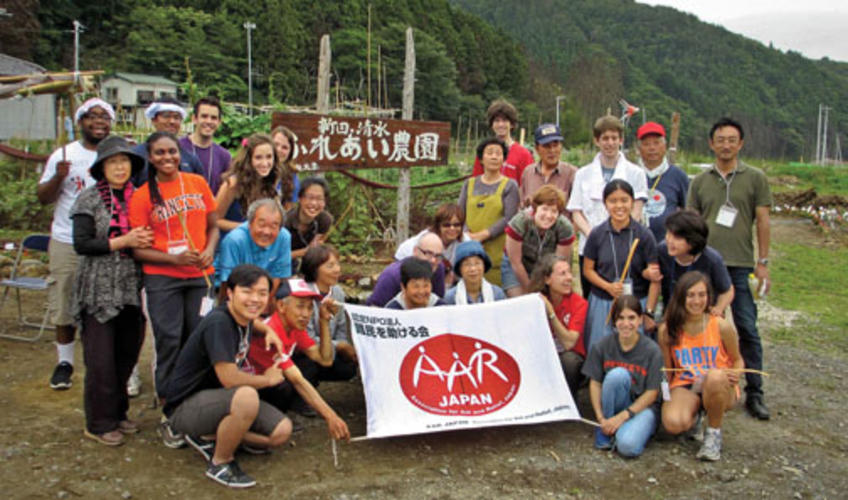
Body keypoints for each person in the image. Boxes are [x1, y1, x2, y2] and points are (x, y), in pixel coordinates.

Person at [161, 266, 308, 489]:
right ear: (229, 293)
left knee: (281, 432)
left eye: (261, 293)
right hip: (185, 406)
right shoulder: (219, 323)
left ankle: (208, 436)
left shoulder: (245, 317)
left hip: (218, 400)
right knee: (247, 396)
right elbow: (229, 378)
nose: (255, 299)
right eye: (247, 291)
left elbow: (253, 322)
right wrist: (267, 380)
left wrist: (268, 331)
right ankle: (220, 462)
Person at [128, 131, 219, 422]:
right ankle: (168, 401)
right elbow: (138, 251)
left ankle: (195, 397)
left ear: (180, 153)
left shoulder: (197, 183)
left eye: (172, 152)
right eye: (160, 153)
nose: (167, 158)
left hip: (198, 275)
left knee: (198, 336)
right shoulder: (142, 195)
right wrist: (173, 258)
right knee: (169, 338)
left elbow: (214, 226)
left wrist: (209, 249)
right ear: (150, 158)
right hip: (162, 277)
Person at [687, 117, 772, 421]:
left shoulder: (755, 178)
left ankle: (755, 391)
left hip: (739, 264)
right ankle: (697, 388)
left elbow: (762, 221)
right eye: (720, 139)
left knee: (747, 327)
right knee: (700, 326)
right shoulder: (699, 181)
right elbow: (691, 223)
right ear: (711, 143)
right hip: (704, 266)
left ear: (741, 143)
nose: (725, 144)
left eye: (731, 139)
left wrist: (763, 262)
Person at [70, 136, 152, 445]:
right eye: (113, 162)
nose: (120, 167)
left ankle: (118, 413)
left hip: (130, 288)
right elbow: (82, 243)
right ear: (101, 167)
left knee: (125, 355)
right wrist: (124, 241)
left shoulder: (139, 198)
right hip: (98, 289)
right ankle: (99, 422)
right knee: (101, 359)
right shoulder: (88, 199)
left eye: (125, 161)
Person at [37, 97, 114, 390]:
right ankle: (65, 362)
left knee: (103, 303)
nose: (99, 122)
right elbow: (43, 197)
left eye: (104, 117)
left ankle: (100, 361)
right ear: (80, 122)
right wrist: (58, 177)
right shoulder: (64, 155)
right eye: (92, 117)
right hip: (67, 239)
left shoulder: (115, 154)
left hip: (105, 241)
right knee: (65, 302)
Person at [245, 277, 352, 434]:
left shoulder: (295, 328)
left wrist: (323, 321)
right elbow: (298, 381)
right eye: (300, 307)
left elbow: (325, 359)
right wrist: (331, 416)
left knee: (306, 367)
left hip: (262, 382)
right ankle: (255, 426)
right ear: (281, 306)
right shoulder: (272, 330)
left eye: (310, 308)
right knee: (285, 384)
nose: (306, 314)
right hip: (247, 388)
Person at [659, 271, 743, 461]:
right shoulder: (668, 329)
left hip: (719, 384)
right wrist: (666, 397)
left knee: (714, 377)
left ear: (708, 297)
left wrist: (736, 373)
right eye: (690, 295)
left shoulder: (721, 326)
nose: (696, 301)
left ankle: (713, 434)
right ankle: (697, 415)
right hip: (687, 382)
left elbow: (738, 360)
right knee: (673, 423)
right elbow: (667, 369)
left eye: (701, 295)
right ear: (681, 297)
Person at [567, 115, 648, 299]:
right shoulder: (582, 173)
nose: (610, 143)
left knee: (625, 298)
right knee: (593, 296)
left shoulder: (636, 173)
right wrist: (595, 235)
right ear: (597, 141)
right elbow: (576, 212)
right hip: (591, 246)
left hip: (625, 245)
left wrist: (621, 232)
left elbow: (637, 209)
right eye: (605, 138)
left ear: (621, 140)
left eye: (614, 138)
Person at [582, 295, 663, 457]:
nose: (626, 324)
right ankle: (606, 429)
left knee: (627, 447)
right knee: (616, 376)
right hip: (615, 406)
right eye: (621, 318)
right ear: (614, 321)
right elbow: (595, 383)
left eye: (632, 318)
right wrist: (600, 418)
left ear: (640, 319)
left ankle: (621, 431)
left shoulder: (652, 351)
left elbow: (652, 393)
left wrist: (623, 417)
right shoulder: (602, 346)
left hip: (642, 408)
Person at [582, 180, 659, 351]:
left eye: (624, 200)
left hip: (636, 302)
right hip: (604, 302)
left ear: (632, 202)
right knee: (601, 352)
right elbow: (587, 270)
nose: (619, 206)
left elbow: (655, 278)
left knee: (634, 353)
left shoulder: (645, 235)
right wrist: (607, 286)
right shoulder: (597, 234)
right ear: (605, 204)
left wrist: (648, 312)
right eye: (613, 201)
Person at [458, 137, 520, 286]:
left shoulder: (510, 185)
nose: (494, 157)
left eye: (498, 153)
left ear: (503, 159)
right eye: (490, 153)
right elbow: (459, 213)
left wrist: (484, 234)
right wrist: (468, 235)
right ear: (481, 158)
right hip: (469, 245)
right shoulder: (469, 184)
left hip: (497, 249)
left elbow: (509, 218)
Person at [214, 198, 292, 308]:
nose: (266, 232)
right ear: (250, 223)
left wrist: (263, 304)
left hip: (264, 292)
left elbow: (278, 275)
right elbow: (226, 282)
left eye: (274, 226)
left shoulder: (284, 237)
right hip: (231, 292)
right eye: (261, 224)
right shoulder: (234, 240)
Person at [528, 254, 587, 395]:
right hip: (545, 353)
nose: (569, 278)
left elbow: (568, 343)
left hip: (570, 357)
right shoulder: (535, 301)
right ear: (547, 279)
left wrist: (551, 313)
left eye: (569, 273)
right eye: (562, 274)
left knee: (569, 361)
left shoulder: (579, 303)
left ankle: (570, 407)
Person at [301, 245, 358, 385]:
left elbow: (341, 330)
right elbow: (306, 338)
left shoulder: (337, 292)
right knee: (308, 364)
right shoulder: (302, 294)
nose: (337, 269)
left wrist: (340, 345)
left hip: (328, 350)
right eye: (330, 266)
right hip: (305, 351)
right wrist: (339, 346)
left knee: (348, 368)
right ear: (314, 269)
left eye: (337, 264)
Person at [657, 210, 733, 315]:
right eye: (668, 234)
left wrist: (718, 309)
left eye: (677, 238)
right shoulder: (662, 251)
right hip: (673, 313)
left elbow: (728, 291)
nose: (670, 241)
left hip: (702, 315)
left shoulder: (712, 259)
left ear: (693, 241)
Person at [503, 185, 575, 296]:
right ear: (535, 208)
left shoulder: (565, 227)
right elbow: (515, 263)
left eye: (554, 211)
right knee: (520, 299)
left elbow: (559, 264)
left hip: (548, 267)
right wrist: (531, 291)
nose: (548, 215)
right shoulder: (519, 223)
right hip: (519, 265)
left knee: (552, 297)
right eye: (544, 209)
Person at [131, 96, 204, 186]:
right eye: (166, 116)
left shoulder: (190, 159)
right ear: (154, 120)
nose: (172, 121)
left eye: (176, 117)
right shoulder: (135, 156)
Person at [215, 133, 280, 232]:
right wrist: (247, 228)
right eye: (258, 157)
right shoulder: (233, 184)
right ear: (248, 160)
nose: (265, 163)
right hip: (231, 241)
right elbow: (215, 220)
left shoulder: (271, 182)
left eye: (269, 157)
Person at [636, 122, 689, 244]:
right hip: (635, 245)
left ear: (664, 146)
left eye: (656, 143)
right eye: (646, 144)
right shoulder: (631, 174)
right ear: (639, 149)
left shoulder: (678, 176)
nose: (652, 148)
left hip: (668, 247)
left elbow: (687, 210)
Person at [394, 203, 468, 285]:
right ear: (438, 226)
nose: (452, 228)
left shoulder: (465, 241)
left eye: (456, 224)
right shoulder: (426, 239)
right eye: (446, 225)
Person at [367, 232, 447, 307]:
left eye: (438, 256)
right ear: (415, 251)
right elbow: (374, 308)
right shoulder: (391, 276)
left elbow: (438, 305)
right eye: (428, 253)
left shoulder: (438, 268)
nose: (433, 260)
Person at [470, 99, 534, 184]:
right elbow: (476, 182)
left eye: (504, 120)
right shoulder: (484, 151)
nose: (501, 125)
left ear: (511, 124)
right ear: (491, 124)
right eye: (497, 121)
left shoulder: (524, 154)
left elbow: (528, 185)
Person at [178, 95, 231, 194]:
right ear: (194, 119)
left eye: (213, 118)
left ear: (219, 122)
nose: (209, 121)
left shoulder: (224, 156)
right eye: (204, 116)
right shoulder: (178, 148)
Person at [519, 124, 578, 211]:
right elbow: (521, 205)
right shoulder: (528, 173)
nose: (552, 150)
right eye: (547, 146)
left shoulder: (572, 173)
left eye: (556, 145)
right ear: (537, 149)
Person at [283, 176, 334, 271]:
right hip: (280, 265)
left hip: (306, 263)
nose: (314, 203)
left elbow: (316, 247)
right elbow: (274, 256)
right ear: (300, 198)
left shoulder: (324, 220)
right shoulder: (285, 222)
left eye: (319, 199)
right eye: (309, 198)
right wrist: (304, 252)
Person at [443, 240, 506, 305]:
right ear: (460, 269)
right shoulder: (450, 297)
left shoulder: (497, 294)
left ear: (484, 266)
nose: (473, 269)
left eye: (477, 263)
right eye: (467, 264)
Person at [271, 125, 301, 210]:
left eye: (285, 147)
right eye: (276, 144)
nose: (279, 150)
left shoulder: (292, 177)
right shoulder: (258, 169)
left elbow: (288, 210)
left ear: (290, 152)